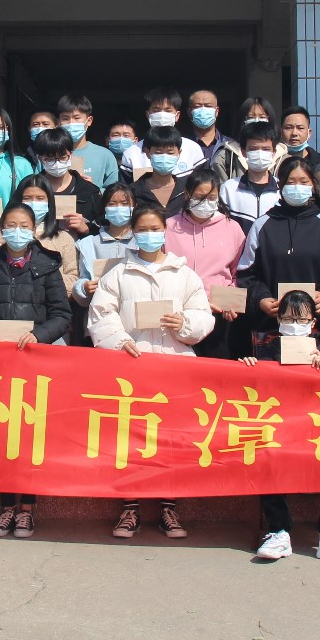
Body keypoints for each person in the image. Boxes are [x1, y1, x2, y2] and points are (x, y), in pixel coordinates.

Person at [87, 203, 215, 540]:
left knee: (171, 440)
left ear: (164, 231)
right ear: (133, 232)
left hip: (174, 365)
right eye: (142, 229)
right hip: (131, 368)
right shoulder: (118, 273)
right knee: (130, 439)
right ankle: (129, 508)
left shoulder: (184, 274)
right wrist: (119, 341)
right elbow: (100, 314)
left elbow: (203, 315)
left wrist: (184, 324)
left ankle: (168, 508)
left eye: (154, 229)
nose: (148, 235)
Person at [0, 204, 72, 538]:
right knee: (1, 435)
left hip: (35, 363)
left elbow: (61, 315)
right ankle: (6, 507)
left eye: (24, 225)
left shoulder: (48, 267)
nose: (17, 231)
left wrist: (39, 336)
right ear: (1, 230)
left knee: (30, 437)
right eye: (11, 225)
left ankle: (27, 510)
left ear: (35, 229)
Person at [248, 290, 320, 562]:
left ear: (313, 322)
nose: (295, 325)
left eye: (301, 320)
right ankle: (278, 532)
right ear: (279, 321)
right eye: (288, 319)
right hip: (282, 428)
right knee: (266, 453)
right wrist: (249, 366)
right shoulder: (266, 347)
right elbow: (256, 388)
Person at [236, 158, 320, 338]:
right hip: (271, 326)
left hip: (319, 327)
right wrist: (261, 298)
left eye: (303, 182)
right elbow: (246, 274)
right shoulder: (262, 225)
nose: (297, 187)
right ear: (280, 185)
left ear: (312, 185)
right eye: (291, 182)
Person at [164, 169, 247, 359]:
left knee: (217, 370)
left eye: (211, 198)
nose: (205, 202)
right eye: (200, 197)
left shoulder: (232, 228)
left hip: (219, 314)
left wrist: (231, 302)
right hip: (180, 314)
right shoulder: (169, 226)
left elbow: (239, 272)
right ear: (187, 195)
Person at [73, 182, 138, 346]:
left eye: (125, 203)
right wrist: (84, 288)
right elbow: (81, 279)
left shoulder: (141, 242)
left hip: (135, 323)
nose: (119, 208)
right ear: (104, 208)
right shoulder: (88, 244)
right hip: (99, 323)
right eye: (112, 203)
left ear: (134, 207)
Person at [15, 178, 81, 300]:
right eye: (27, 198)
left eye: (40, 198)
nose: (33, 203)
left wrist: (45, 279)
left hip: (52, 305)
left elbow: (74, 279)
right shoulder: (3, 236)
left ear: (49, 202)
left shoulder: (64, 239)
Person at [31, 127, 103, 238]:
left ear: (71, 155)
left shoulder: (89, 191)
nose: (57, 163)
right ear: (40, 159)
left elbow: (105, 229)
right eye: (50, 159)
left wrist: (87, 229)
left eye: (63, 157)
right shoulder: (30, 188)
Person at [121, 88, 205, 177]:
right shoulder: (132, 153)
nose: (162, 115)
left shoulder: (193, 149)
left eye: (168, 110)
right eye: (156, 110)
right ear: (148, 115)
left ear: (177, 115)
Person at [219, 120, 281, 232]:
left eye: (266, 149)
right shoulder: (229, 189)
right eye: (253, 149)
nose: (260, 153)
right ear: (243, 152)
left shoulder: (281, 189)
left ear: (274, 152)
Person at [55, 93, 121, 190]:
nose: (71, 123)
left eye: (77, 118)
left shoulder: (105, 155)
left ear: (89, 120)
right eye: (65, 118)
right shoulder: (49, 154)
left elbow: (114, 191)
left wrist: (93, 190)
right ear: (58, 122)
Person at [187, 88, 245, 181]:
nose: (203, 110)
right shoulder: (182, 145)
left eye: (208, 106)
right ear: (189, 112)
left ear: (217, 111)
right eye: (197, 106)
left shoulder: (232, 146)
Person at [128, 125, 186, 211]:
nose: (164, 157)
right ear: (148, 153)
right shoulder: (132, 191)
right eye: (158, 152)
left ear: (179, 153)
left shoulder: (187, 190)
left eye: (170, 153)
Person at [277, 106, 320, 173]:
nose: (294, 133)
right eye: (288, 128)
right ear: (281, 132)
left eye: (300, 128)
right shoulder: (272, 161)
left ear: (309, 133)